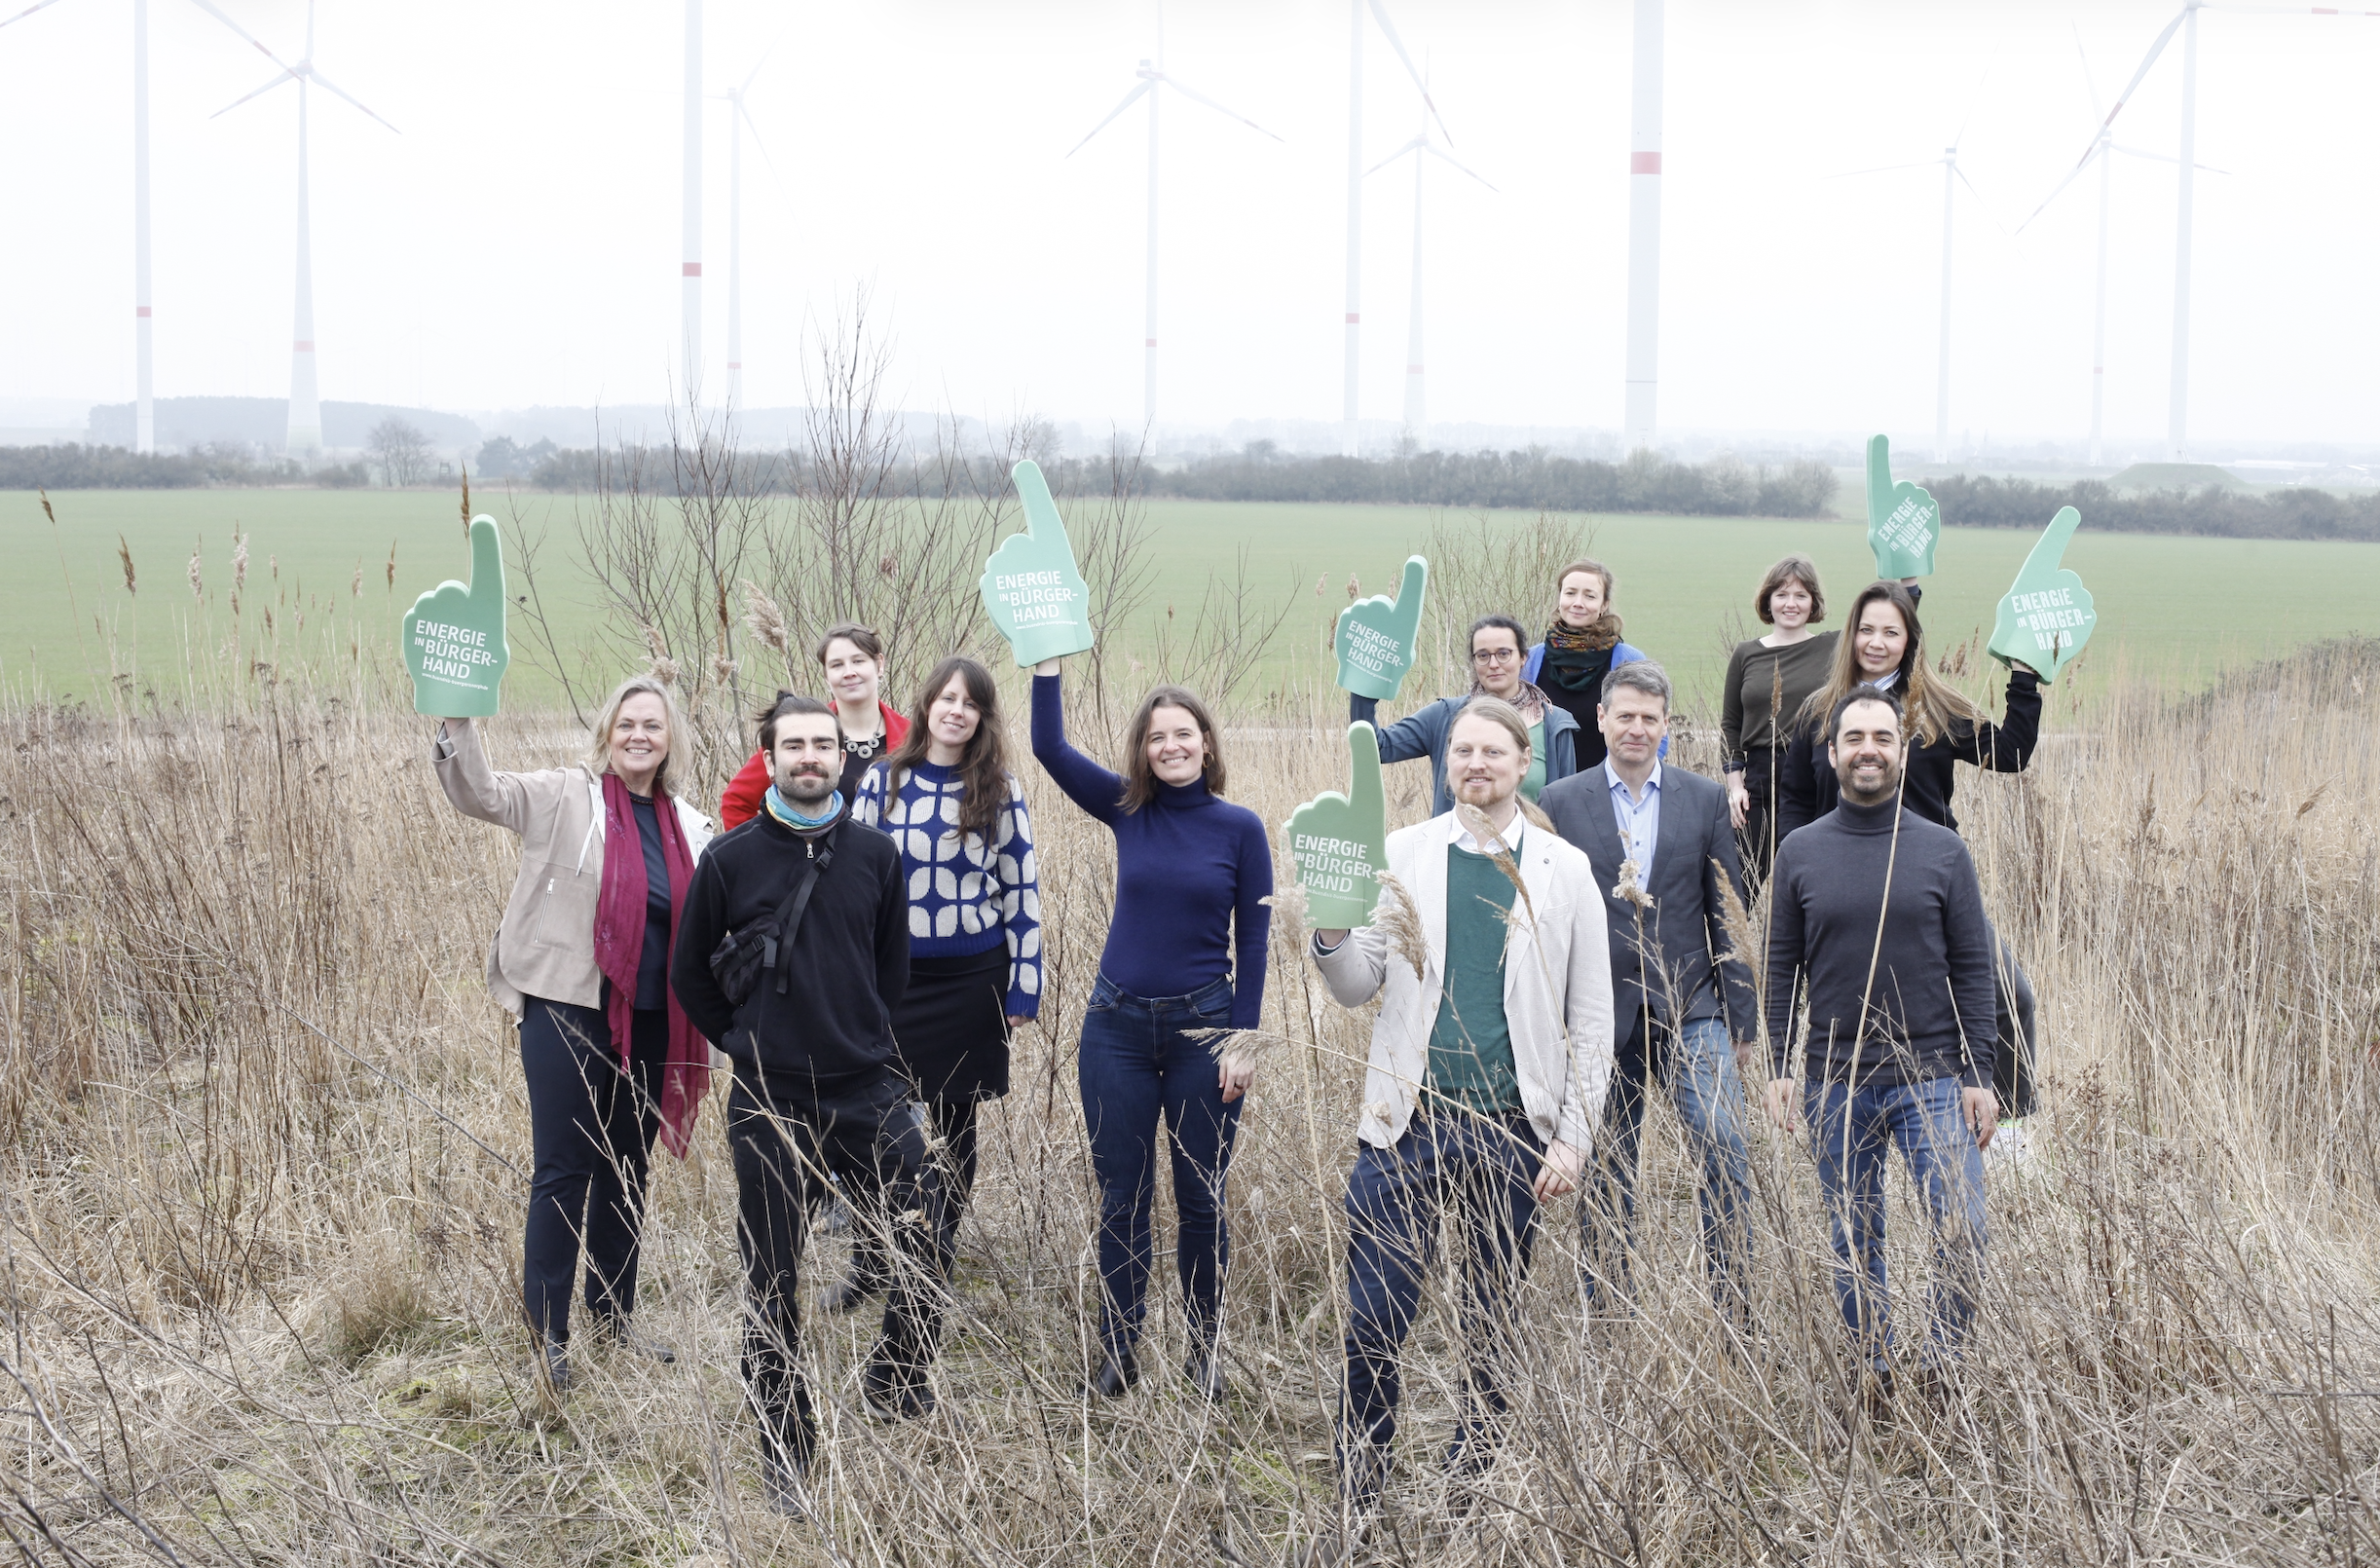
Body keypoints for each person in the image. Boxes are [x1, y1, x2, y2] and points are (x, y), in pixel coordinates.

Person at [1302, 697, 1613, 1555]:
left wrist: (1574, 1138)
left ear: (1523, 764)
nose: (1476, 763)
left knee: (1491, 1321)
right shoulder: (1401, 852)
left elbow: (1591, 1024)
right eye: (1462, 751)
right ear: (1446, 763)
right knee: (1373, 1320)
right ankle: (1359, 1498)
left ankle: (1472, 1489)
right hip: (1407, 1124)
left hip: (1515, 1133)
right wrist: (1330, 930)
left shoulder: (1565, 868)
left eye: (1493, 751)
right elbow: (1360, 984)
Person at [670, 694, 946, 1512]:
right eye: (794, 746)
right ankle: (787, 1452)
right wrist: (749, 1044)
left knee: (924, 1231)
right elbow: (691, 978)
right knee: (771, 1280)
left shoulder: (876, 856)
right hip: (770, 1100)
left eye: (823, 744)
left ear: (840, 755)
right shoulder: (729, 861)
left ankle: (895, 1380)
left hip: (866, 1088)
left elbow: (890, 971)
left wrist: (856, 1032)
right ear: (770, 757)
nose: (810, 757)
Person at [430, 676, 715, 1394]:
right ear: (607, 732)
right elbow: (482, 794)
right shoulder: (564, 796)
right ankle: (549, 1335)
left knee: (627, 1168)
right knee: (565, 1169)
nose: (639, 736)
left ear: (670, 737)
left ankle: (613, 1319)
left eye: (652, 725)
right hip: (565, 1007)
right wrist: (457, 723)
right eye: (627, 724)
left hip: (652, 1018)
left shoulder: (692, 825)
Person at [1030, 654, 1270, 1401]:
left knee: (1200, 1197)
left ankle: (1203, 1354)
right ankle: (1119, 1352)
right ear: (1142, 748)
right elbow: (1049, 749)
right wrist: (1046, 666)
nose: (1169, 746)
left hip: (1205, 1032)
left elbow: (1255, 941)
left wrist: (1245, 1042)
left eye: (1183, 733)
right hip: (1117, 1029)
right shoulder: (1127, 808)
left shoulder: (1240, 828)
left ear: (1206, 742)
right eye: (1156, 736)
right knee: (1123, 1198)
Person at [1763, 685, 1997, 1400]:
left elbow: (1974, 966)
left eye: (1883, 737)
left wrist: (1980, 1072)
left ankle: (1945, 1368)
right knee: (1853, 1240)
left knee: (1963, 1228)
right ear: (1831, 754)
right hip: (1835, 1081)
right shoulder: (1800, 851)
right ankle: (1880, 1369)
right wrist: (1779, 1064)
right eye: (1854, 738)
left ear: (1902, 749)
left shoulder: (1943, 850)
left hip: (1931, 1075)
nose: (1869, 749)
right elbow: (1780, 965)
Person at [1539, 661, 1758, 1327]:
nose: (1637, 728)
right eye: (1624, 715)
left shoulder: (1703, 800)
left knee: (1725, 1148)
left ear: (1667, 727)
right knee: (1606, 1169)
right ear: (1601, 718)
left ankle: (1736, 1311)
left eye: (1650, 718)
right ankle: (1608, 1318)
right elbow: (1545, 919)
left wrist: (1742, 1022)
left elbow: (1731, 912)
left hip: (1692, 1008)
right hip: (1600, 1020)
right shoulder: (1560, 802)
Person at [1773, 579, 2042, 1122]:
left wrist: (2026, 677)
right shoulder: (1815, 713)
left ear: (1909, 640)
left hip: (1930, 889)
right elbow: (1795, 799)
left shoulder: (1934, 710)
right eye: (1867, 630)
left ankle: (2009, 1130)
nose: (1877, 642)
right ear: (1850, 635)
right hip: (1839, 886)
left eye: (1891, 632)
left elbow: (2010, 753)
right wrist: (1796, 871)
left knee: (2012, 996)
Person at [831, 655, 1041, 1311]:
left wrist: (1024, 987)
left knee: (953, 1129)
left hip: (970, 982)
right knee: (875, 1129)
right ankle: (869, 1258)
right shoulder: (883, 782)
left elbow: (1021, 889)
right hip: (889, 983)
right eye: (946, 698)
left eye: (970, 702)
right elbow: (850, 885)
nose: (956, 710)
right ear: (924, 707)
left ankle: (931, 1264)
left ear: (982, 717)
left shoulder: (998, 789)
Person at [1353, 614, 1580, 813]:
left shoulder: (1554, 724)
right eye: (1482, 655)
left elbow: (1565, 807)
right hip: (1459, 856)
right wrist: (1365, 682)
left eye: (1503, 653)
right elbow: (1376, 748)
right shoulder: (1446, 716)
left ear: (1523, 658)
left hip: (1531, 857)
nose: (1493, 664)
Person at [719, 623, 911, 830]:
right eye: (837, 665)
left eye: (858, 661)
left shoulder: (914, 736)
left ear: (879, 664)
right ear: (826, 676)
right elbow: (736, 802)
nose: (849, 672)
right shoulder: (798, 730)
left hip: (891, 861)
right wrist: (769, 855)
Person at [1721, 554, 1836, 884]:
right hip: (1759, 780)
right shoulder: (1746, 653)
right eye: (1782, 594)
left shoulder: (1833, 646)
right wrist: (1735, 786)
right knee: (1739, 885)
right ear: (1768, 600)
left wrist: (1908, 584)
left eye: (1801, 595)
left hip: (1814, 776)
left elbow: (1892, 627)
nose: (1791, 604)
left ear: (1813, 602)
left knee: (1812, 881)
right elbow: (1730, 724)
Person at [1520, 558, 1655, 769]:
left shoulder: (1629, 662)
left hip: (1606, 790)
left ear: (1604, 605)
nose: (1578, 603)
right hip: (1543, 794)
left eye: (1589, 596)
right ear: (1560, 598)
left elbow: (1654, 729)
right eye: (1570, 593)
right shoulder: (1530, 661)